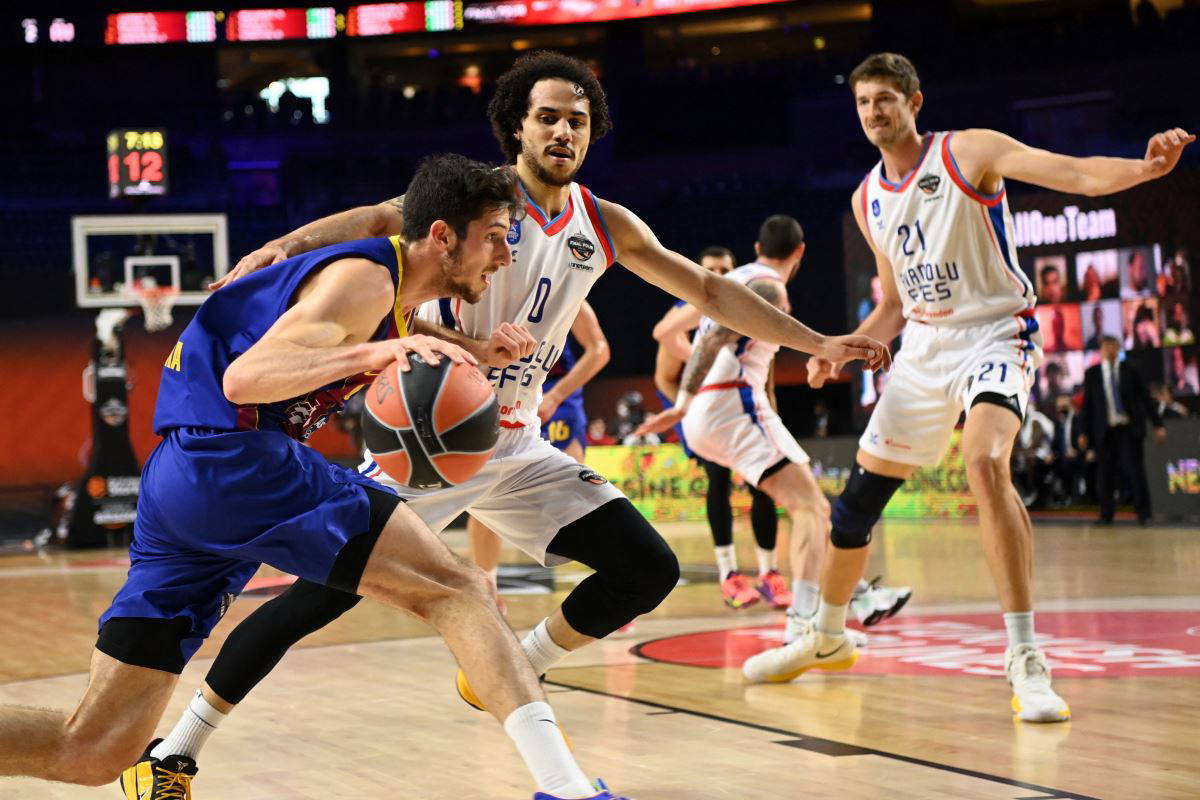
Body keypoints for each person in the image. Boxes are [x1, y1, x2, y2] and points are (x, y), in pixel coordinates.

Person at [142, 51, 889, 797]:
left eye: (578, 119)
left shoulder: (606, 224)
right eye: (548, 118)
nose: (564, 131)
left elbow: (706, 290)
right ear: (516, 128)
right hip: (430, 439)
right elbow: (375, 220)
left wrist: (818, 341)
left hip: (518, 441)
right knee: (317, 598)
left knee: (646, 569)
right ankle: (176, 749)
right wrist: (286, 245)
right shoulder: (475, 203)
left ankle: (519, 663)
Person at [0, 155, 619, 800]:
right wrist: (376, 354)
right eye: (494, 234)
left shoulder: (387, 295)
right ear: (441, 235)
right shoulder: (365, 280)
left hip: (183, 483)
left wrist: (473, 352)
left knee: (94, 748)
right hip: (235, 459)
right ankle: (566, 788)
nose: (504, 253)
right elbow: (246, 377)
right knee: (457, 587)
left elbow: (391, 325)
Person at [742, 51, 1193, 724]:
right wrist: (842, 349)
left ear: (915, 102)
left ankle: (1025, 657)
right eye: (865, 102)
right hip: (923, 346)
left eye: (887, 99)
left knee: (984, 461)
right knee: (855, 507)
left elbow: (1073, 174)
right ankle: (827, 636)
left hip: (995, 332)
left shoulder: (968, 152)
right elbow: (894, 303)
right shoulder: (866, 199)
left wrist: (1147, 167)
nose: (875, 112)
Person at [639, 215, 910, 637]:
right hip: (731, 403)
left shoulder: (737, 278)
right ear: (799, 253)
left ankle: (859, 595)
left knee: (810, 508)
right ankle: (802, 623)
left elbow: (671, 331)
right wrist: (683, 402)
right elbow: (712, 341)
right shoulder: (768, 286)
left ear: (757, 246)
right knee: (810, 508)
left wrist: (684, 404)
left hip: (716, 408)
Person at [652, 245, 787, 610]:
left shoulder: (745, 303)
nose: (720, 274)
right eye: (712, 269)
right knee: (719, 480)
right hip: (708, 412)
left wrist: (770, 410)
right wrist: (690, 405)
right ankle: (729, 574)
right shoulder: (686, 312)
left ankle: (770, 572)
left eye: (726, 268)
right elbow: (664, 377)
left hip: (746, 406)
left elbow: (766, 373)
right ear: (699, 271)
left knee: (765, 484)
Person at [467, 300, 610, 610]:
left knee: (580, 497)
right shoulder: (489, 288)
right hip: (500, 388)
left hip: (557, 395)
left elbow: (599, 350)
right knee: (486, 494)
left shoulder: (566, 286)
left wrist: (557, 395)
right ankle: (487, 589)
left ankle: (612, 582)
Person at [1079, 335, 1166, 525]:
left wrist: (1157, 424)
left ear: (1118, 349)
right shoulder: (1092, 374)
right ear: (1101, 350)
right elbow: (1087, 406)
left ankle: (1144, 514)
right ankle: (1106, 514)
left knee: (1135, 471)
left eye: (1113, 346)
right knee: (1104, 474)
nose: (1109, 350)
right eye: (1106, 346)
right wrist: (1083, 432)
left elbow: (1145, 398)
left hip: (1128, 429)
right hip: (1105, 431)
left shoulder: (1131, 370)